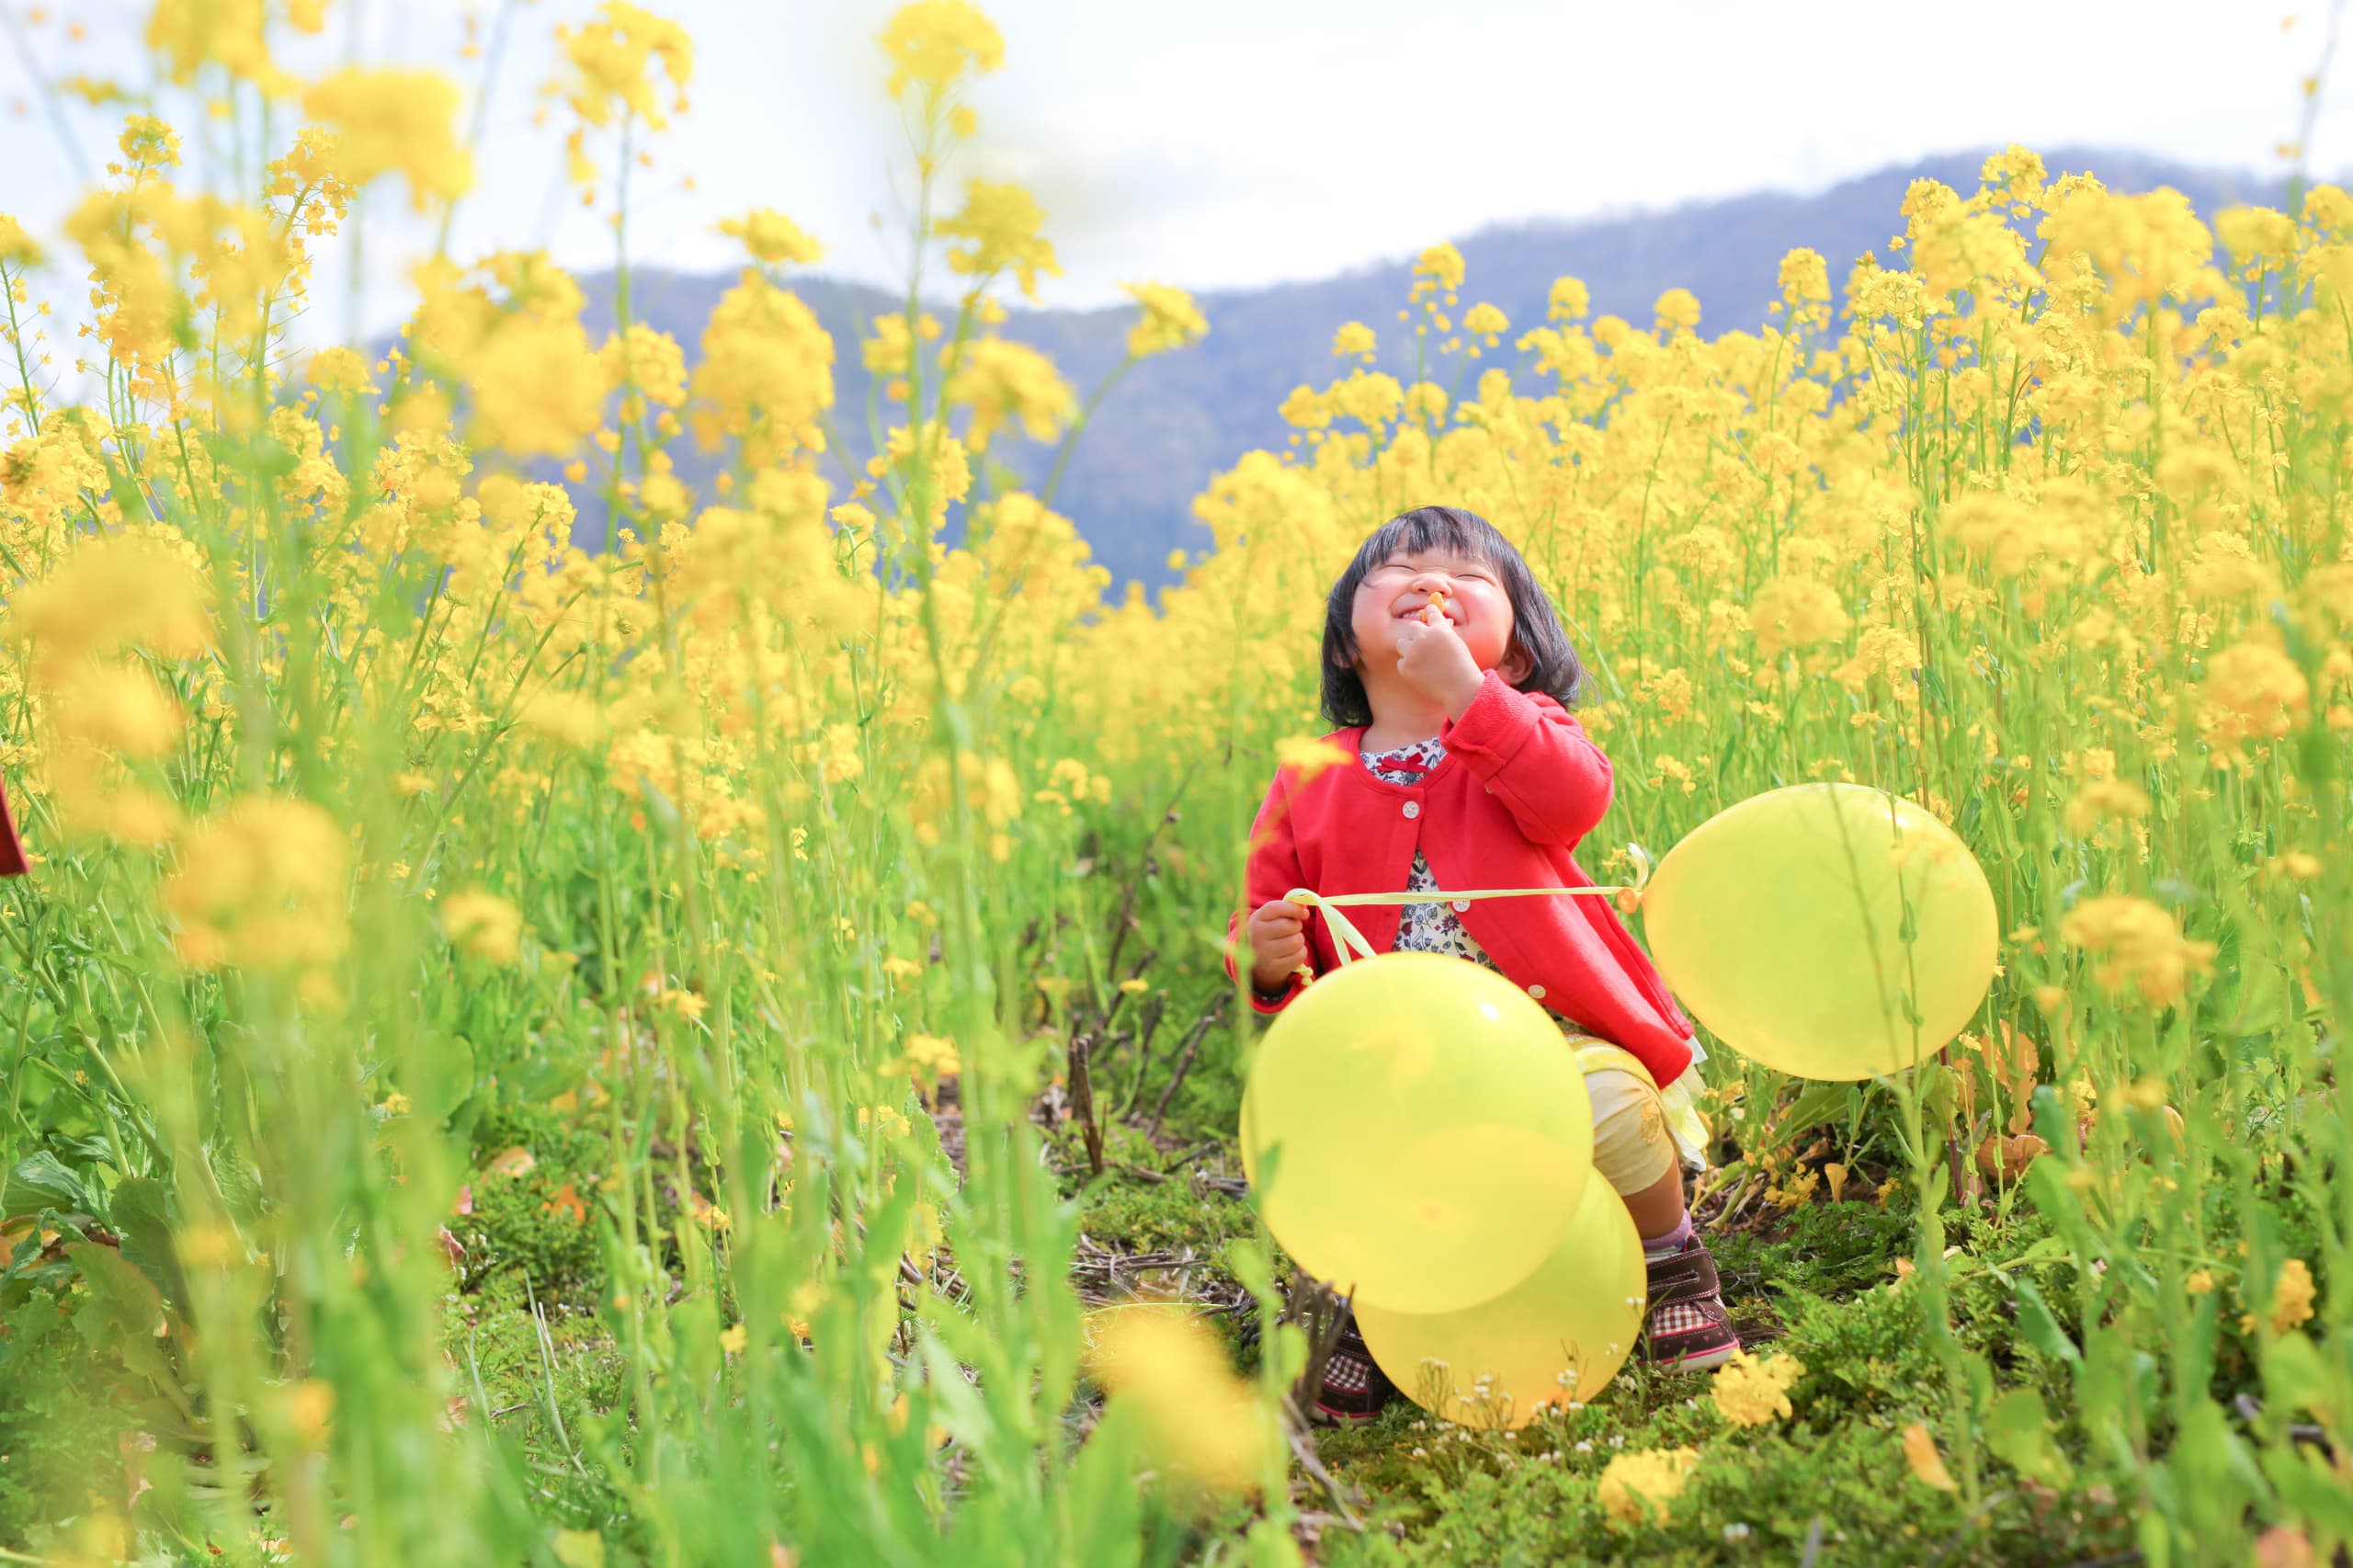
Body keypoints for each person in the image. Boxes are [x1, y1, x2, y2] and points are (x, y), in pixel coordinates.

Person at [1227, 504, 1738, 1424]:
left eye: (1469, 577)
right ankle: (1366, 1300)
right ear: (1348, 644)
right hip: (1397, 1063)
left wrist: (1469, 695)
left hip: (1551, 1040)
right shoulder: (1309, 770)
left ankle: (1668, 1255)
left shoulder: (1523, 724)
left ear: (1514, 652)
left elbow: (1570, 799)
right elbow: (1268, 925)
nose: (1432, 583)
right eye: (1400, 571)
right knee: (1339, 1150)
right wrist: (1265, 960)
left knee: (1614, 1107)